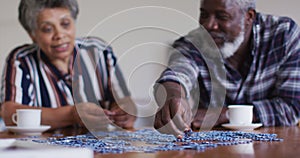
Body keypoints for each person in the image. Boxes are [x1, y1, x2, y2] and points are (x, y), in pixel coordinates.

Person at [154, 0, 300, 135]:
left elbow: (292, 108)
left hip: (276, 145)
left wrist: (222, 115)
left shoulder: (284, 34)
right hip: (213, 148)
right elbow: (178, 72)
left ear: (248, 17)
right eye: (204, 14)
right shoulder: (191, 44)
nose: (209, 25)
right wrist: (173, 95)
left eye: (222, 16)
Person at [0, 0, 136, 131]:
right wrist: (71, 115)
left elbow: (126, 101)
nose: (59, 35)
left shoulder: (99, 51)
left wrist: (125, 112)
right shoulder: (21, 60)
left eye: (65, 24)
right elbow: (10, 115)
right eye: (47, 29)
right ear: (33, 35)